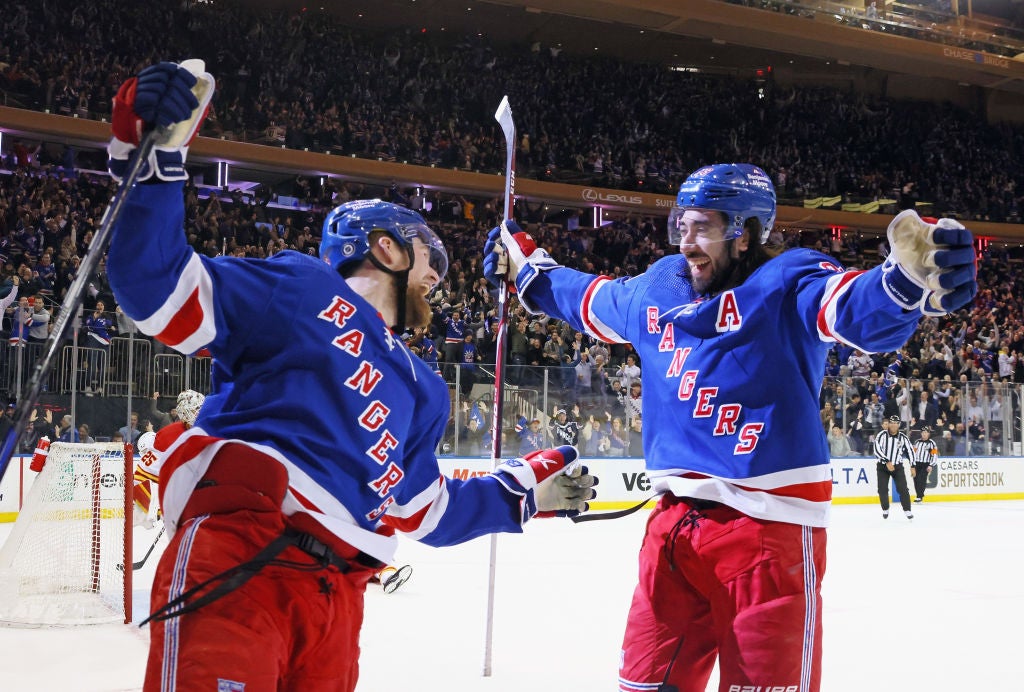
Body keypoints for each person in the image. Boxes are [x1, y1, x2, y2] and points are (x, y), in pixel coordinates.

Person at [104, 61, 594, 692]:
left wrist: (525, 494)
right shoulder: (302, 287)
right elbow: (160, 291)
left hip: (340, 595)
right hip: (248, 553)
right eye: (428, 257)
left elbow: (428, 512)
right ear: (386, 248)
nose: (439, 279)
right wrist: (150, 162)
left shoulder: (423, 386)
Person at [484, 162, 976, 691]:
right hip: (671, 529)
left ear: (746, 233)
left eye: (704, 228)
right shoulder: (659, 287)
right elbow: (585, 298)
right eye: (681, 225)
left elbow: (851, 308)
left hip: (768, 538)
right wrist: (527, 268)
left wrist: (903, 283)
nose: (687, 242)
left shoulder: (788, 284)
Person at [874, 415, 916, 520]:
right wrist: (886, 461)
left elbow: (910, 451)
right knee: (882, 489)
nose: (893, 425)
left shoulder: (903, 437)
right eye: (891, 422)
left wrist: (913, 465)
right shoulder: (881, 435)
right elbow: (876, 449)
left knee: (903, 489)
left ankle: (907, 510)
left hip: (897, 467)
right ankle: (885, 509)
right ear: (889, 423)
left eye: (896, 423)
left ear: (899, 425)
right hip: (883, 466)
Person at [911, 426, 939, 503]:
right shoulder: (917, 442)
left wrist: (931, 465)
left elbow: (934, 455)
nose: (924, 434)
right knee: (916, 480)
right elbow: (913, 453)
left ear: (928, 434)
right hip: (917, 463)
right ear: (921, 433)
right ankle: (919, 496)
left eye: (926, 432)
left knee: (921, 479)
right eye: (923, 432)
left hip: (925, 464)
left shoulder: (932, 443)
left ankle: (919, 496)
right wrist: (912, 464)